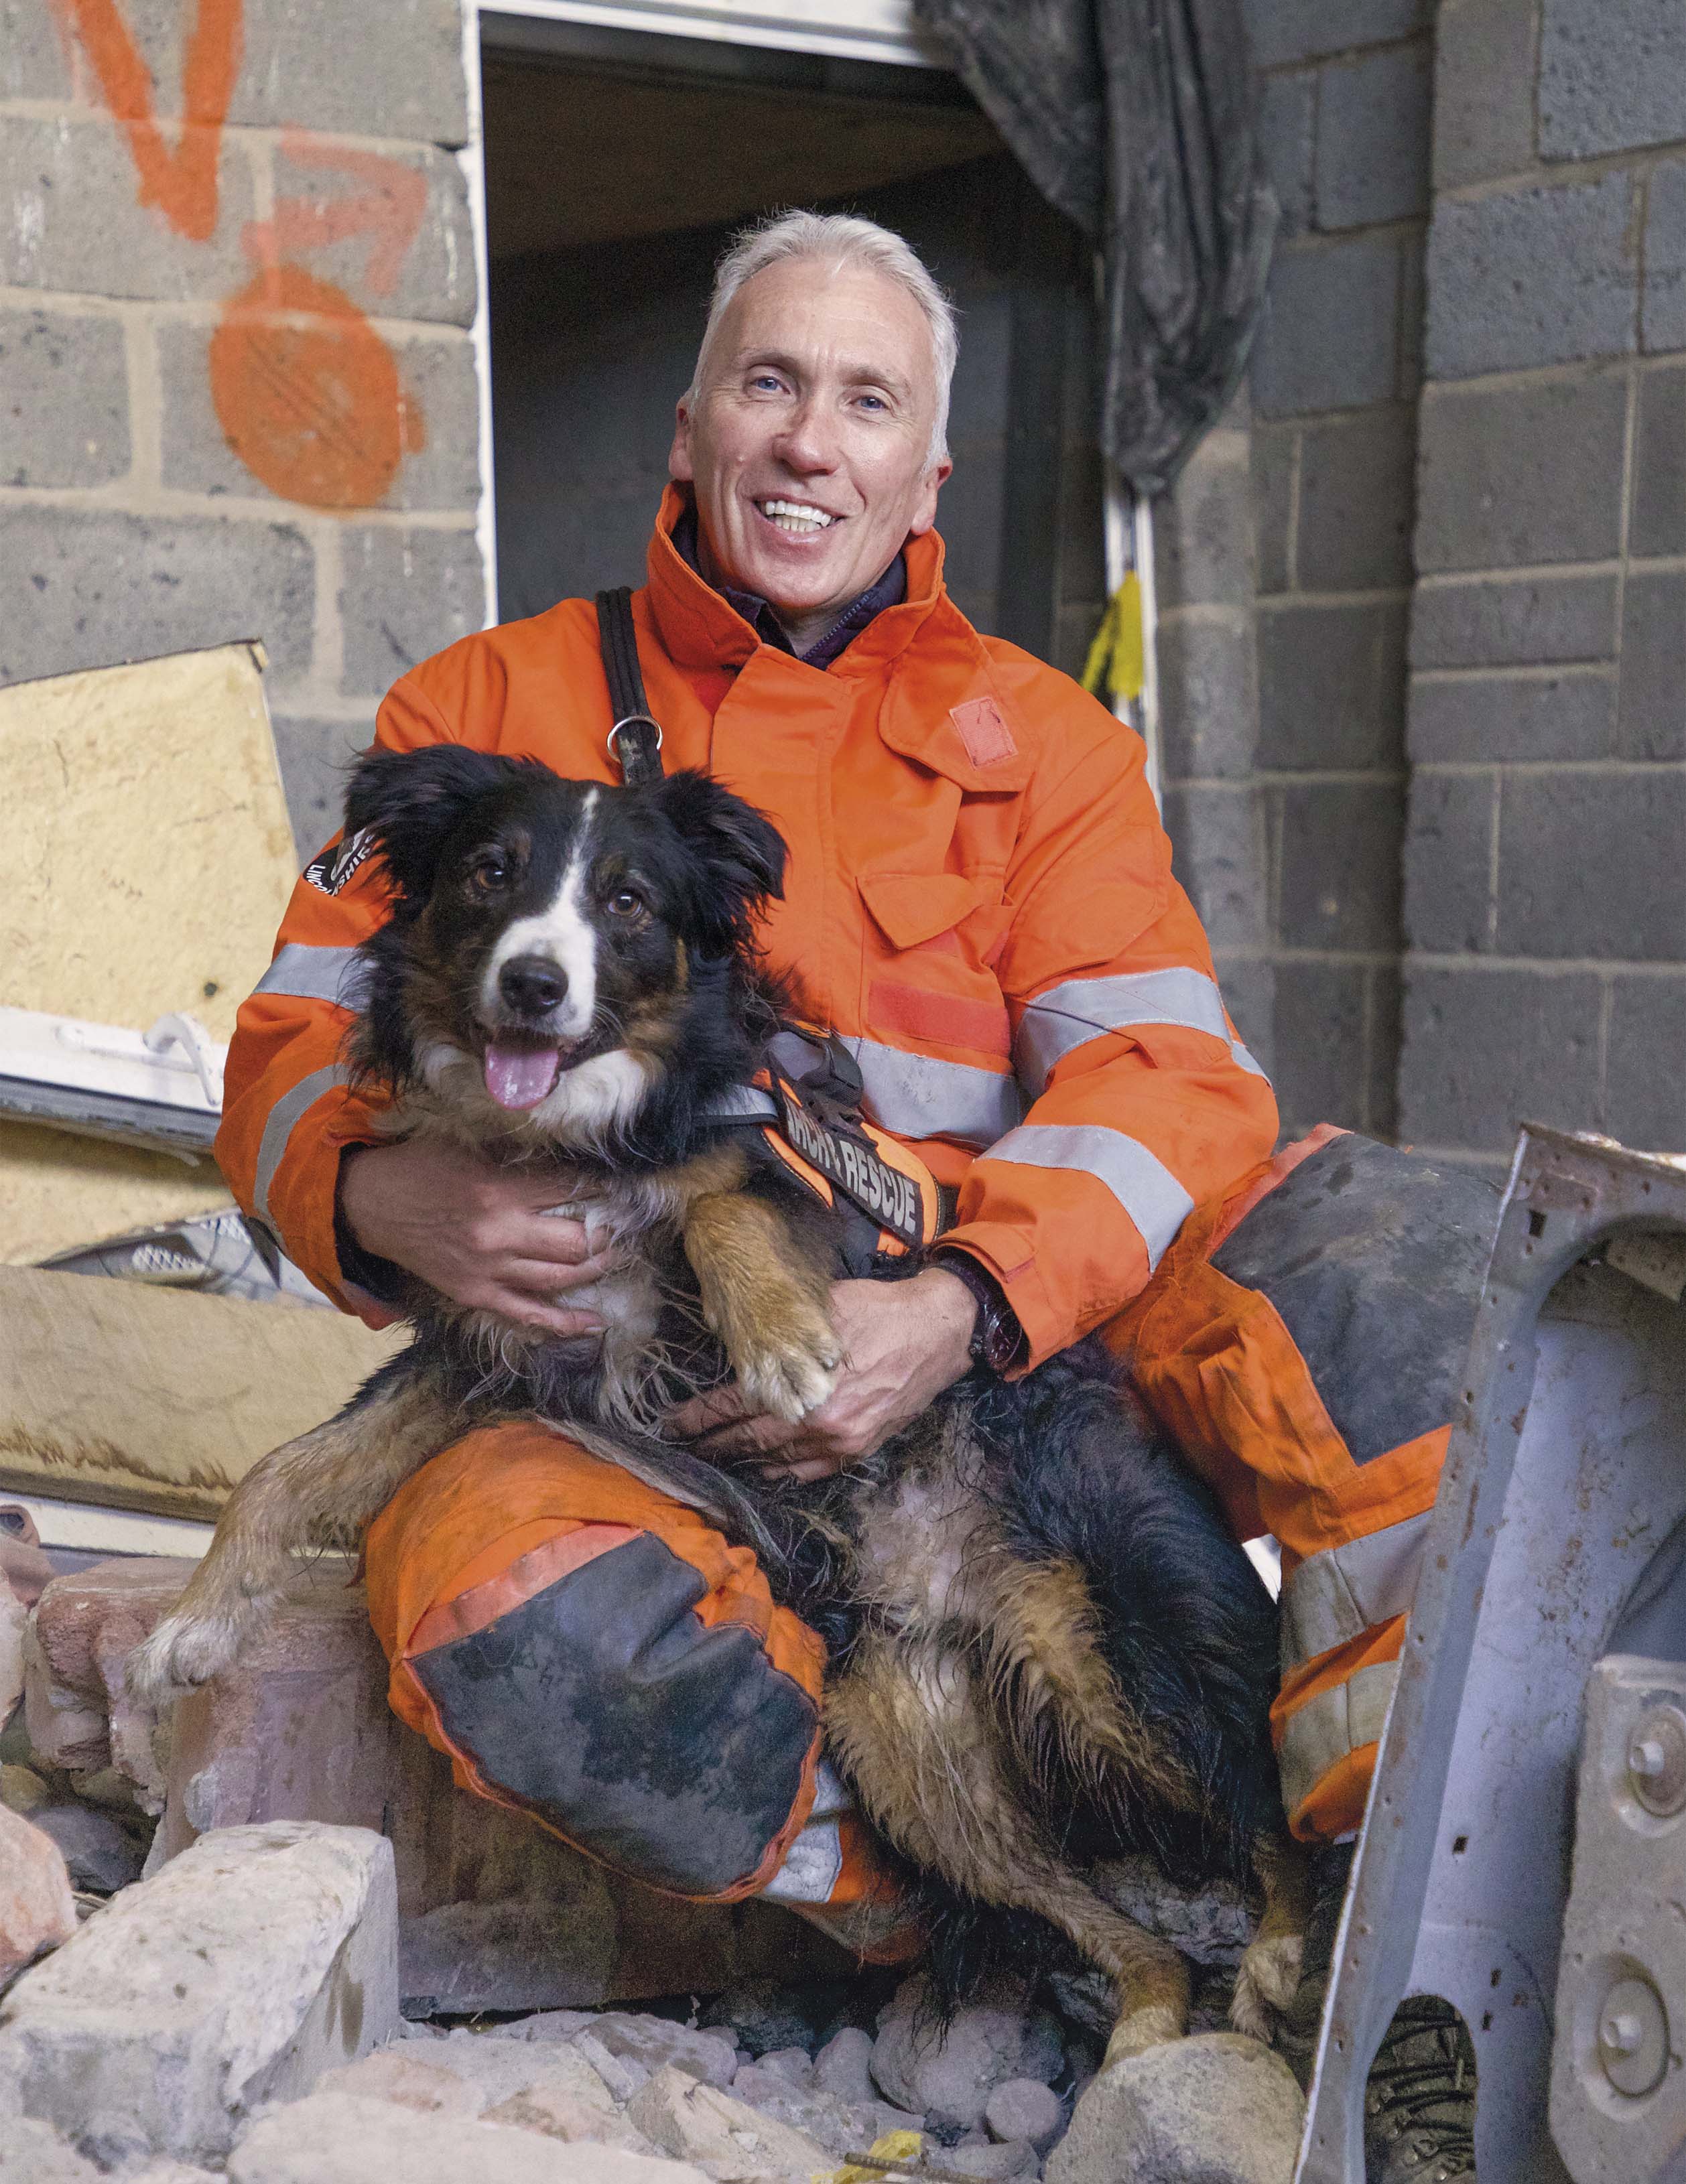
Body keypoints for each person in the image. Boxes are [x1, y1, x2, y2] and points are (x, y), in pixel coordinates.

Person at [217, 212, 1474, 2179]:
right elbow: (294, 1035)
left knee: (1391, 1283)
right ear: (696, 420)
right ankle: (948, 1912)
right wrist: (386, 1201)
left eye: (865, 399)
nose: (812, 440)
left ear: (922, 470)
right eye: (772, 382)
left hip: (986, 1328)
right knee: (504, 1605)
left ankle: (1418, 1932)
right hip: (637, 1388)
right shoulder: (488, 699)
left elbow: (1172, 1081)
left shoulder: (1039, 745)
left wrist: (964, 1300)